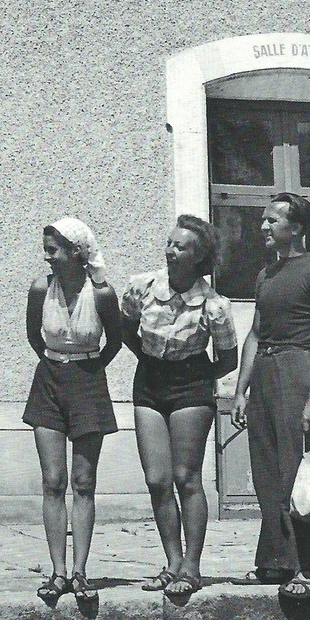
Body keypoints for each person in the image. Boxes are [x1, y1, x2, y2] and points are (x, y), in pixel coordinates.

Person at [121, 215, 238, 599]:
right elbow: (125, 329)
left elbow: (227, 359)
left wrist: (194, 374)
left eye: (180, 247)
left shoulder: (214, 305)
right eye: (169, 243)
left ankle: (192, 566)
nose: (171, 252)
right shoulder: (142, 287)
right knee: (157, 479)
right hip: (150, 382)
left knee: (186, 477)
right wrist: (151, 359)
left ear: (198, 256)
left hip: (191, 386)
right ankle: (170, 563)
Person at [231, 193, 310, 602]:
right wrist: (240, 391)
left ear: (296, 227)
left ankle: (309, 566)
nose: (263, 226)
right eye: (263, 219)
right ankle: (276, 559)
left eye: (272, 220)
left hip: (298, 369)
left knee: (298, 468)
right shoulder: (265, 275)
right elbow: (255, 334)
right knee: (267, 471)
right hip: (266, 373)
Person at [23, 217, 122, 607]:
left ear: (77, 253)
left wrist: (89, 369)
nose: (47, 257)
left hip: (88, 382)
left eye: (54, 250)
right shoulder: (39, 289)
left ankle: (80, 571)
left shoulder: (101, 294)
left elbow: (115, 339)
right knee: (52, 480)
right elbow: (35, 336)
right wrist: (57, 363)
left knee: (83, 481)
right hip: (48, 381)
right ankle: (57, 572)